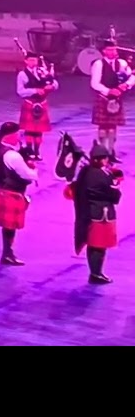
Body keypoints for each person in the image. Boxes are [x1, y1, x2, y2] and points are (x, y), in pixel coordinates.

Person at [0, 121, 38, 266]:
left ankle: (7, 253)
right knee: (10, 227)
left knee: (7, 227)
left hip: (2, 190)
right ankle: (8, 253)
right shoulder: (12, 156)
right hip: (12, 192)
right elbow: (28, 175)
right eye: (17, 134)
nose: (19, 137)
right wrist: (33, 169)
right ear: (10, 135)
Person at [71, 143, 122, 284]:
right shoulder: (102, 175)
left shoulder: (85, 172)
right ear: (101, 159)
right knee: (98, 246)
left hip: (90, 212)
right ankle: (96, 274)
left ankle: (95, 273)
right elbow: (115, 196)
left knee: (94, 245)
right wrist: (115, 184)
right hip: (101, 214)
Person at [89, 38, 135, 152]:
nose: (113, 52)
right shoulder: (98, 64)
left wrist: (125, 86)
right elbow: (94, 83)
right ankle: (102, 151)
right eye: (110, 50)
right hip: (103, 99)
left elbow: (132, 77)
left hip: (117, 99)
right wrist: (108, 91)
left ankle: (111, 151)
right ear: (104, 51)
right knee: (103, 127)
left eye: (114, 50)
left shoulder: (122, 63)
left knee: (113, 127)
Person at [14, 52, 56, 160]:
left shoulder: (43, 71)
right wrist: (35, 90)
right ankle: (29, 151)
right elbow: (20, 91)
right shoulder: (22, 74)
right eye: (31, 60)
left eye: (35, 60)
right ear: (26, 61)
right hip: (30, 103)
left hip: (42, 104)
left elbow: (55, 83)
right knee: (29, 130)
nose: (33, 62)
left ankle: (37, 152)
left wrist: (50, 87)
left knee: (39, 131)